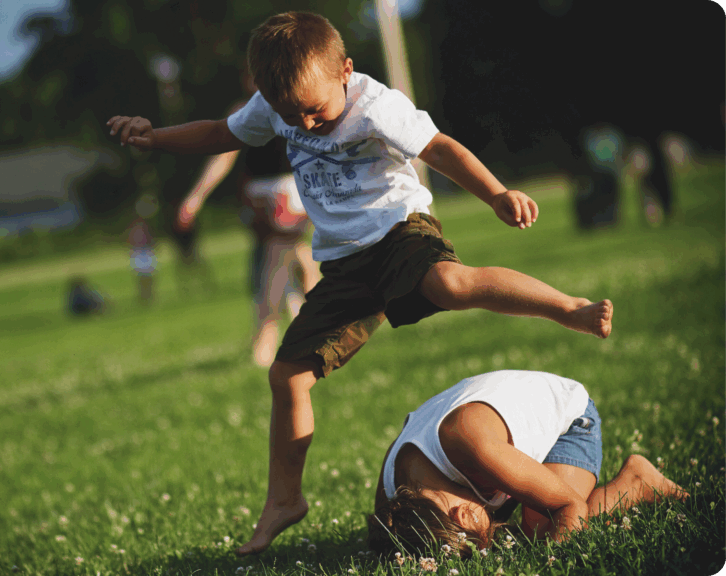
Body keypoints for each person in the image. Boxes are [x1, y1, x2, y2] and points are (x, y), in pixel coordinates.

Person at [106, 11, 614, 554]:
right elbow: (219, 134)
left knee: (451, 285)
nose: (302, 126)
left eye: (314, 111)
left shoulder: (376, 105)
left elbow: (440, 149)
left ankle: (566, 308)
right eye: (288, 115)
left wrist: (496, 194)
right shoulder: (276, 106)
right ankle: (284, 499)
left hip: (399, 232)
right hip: (346, 264)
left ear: (346, 70)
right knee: (287, 377)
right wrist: (154, 137)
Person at [367, 370, 688, 557]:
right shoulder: (393, 494)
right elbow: (388, 539)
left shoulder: (473, 444)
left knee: (544, 530)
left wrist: (550, 562)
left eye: (483, 532)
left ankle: (636, 482)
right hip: (494, 454)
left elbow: (570, 506)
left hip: (567, 420)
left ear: (462, 513)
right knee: (521, 534)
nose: (489, 533)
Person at [176, 73, 321, 368]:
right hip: (263, 195)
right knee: (296, 260)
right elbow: (224, 157)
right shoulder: (244, 111)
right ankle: (316, 327)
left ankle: (267, 339)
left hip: (287, 192)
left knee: (278, 259)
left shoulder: (295, 107)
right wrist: (197, 196)